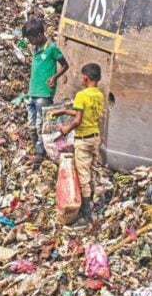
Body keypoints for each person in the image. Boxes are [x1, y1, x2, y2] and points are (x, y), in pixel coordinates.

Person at [52, 63, 104, 227]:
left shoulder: (82, 95)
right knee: (93, 169)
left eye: (82, 76)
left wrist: (65, 130)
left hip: (83, 139)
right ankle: (95, 202)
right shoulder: (99, 95)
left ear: (85, 78)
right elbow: (82, 113)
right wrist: (64, 111)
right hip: (95, 137)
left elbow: (78, 120)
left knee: (83, 176)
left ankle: (86, 215)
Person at [22, 18, 69, 167]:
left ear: (39, 35)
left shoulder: (51, 48)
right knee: (31, 125)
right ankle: (37, 150)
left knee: (41, 125)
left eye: (31, 39)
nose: (29, 42)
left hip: (44, 94)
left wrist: (54, 77)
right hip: (33, 93)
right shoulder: (36, 49)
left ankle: (40, 154)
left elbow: (65, 65)